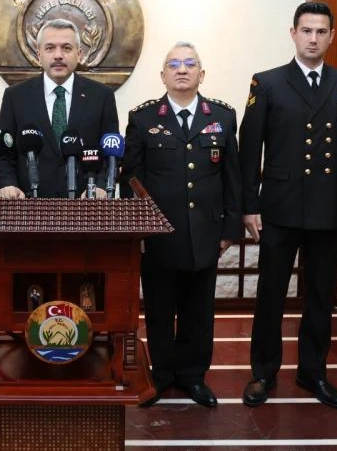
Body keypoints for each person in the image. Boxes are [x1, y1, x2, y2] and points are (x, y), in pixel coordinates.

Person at [239, 1, 337, 410]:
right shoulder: (268, 83)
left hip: (329, 209)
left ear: (331, 37)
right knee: (271, 295)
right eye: (306, 30)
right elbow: (249, 151)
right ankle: (263, 372)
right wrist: (249, 205)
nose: (313, 38)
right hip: (279, 208)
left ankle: (313, 372)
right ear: (293, 33)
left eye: (321, 32)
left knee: (319, 296)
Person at [121, 42, 242, 408]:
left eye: (190, 64)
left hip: (205, 234)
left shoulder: (221, 116)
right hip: (159, 236)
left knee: (199, 312)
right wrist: (136, 232)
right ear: (163, 75)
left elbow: (231, 179)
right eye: (173, 64)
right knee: (159, 310)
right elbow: (131, 180)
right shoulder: (143, 119)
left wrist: (229, 229)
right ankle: (162, 376)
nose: (182, 70)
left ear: (201, 74)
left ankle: (192, 377)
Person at [0, 18, 119, 198]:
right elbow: (4, 151)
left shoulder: (102, 96)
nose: (58, 55)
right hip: (30, 208)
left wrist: (100, 186)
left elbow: (110, 153)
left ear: (80, 54)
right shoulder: (15, 96)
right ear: (39, 55)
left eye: (66, 48)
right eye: (50, 48)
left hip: (86, 209)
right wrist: (7, 184)